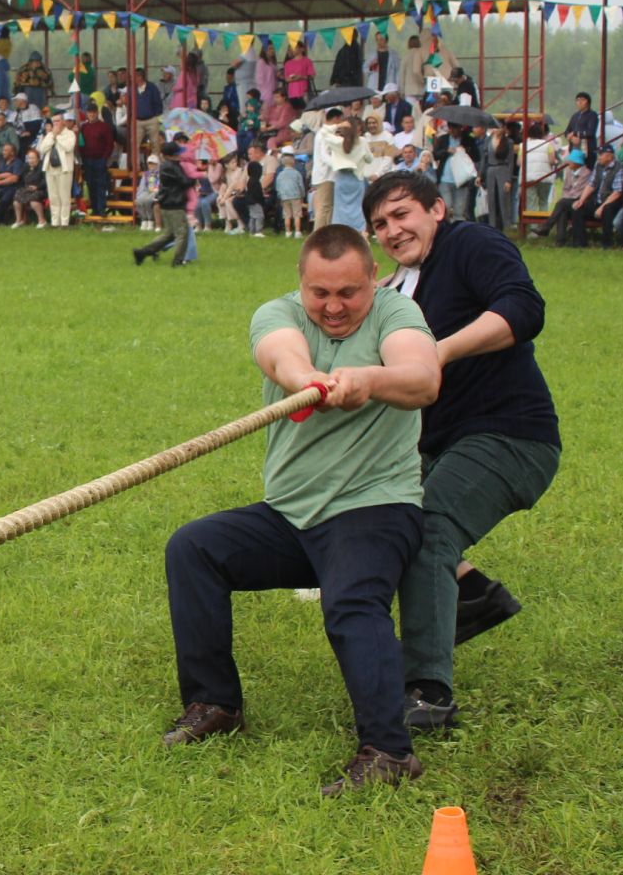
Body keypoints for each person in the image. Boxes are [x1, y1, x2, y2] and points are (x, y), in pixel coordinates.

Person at [161, 224, 440, 795]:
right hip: (291, 513)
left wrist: (369, 379)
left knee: (351, 599)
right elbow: (278, 355)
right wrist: (304, 379)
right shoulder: (279, 313)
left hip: (376, 507)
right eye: (321, 293)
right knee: (194, 549)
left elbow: (422, 378)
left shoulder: (398, 316)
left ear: (372, 280)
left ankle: (390, 751)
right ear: (301, 284)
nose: (333, 307)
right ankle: (215, 705)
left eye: (348, 293)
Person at [365, 170, 560, 730]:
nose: (392, 230)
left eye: (402, 214)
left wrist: (438, 351)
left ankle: (427, 694)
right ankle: (473, 596)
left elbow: (524, 310)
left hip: (511, 436)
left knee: (428, 524)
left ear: (436, 210)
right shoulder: (400, 286)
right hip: (441, 445)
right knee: (382, 517)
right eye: (380, 224)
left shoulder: (471, 244)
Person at [130, 144, 195, 266]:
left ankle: (142, 252)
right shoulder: (171, 167)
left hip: (168, 203)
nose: (180, 155)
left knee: (169, 235)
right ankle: (178, 261)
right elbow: (185, 181)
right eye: (177, 153)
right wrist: (194, 177)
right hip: (174, 204)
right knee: (182, 233)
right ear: (170, 156)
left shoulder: (170, 166)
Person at [41, 112, 77, 227]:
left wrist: (57, 136)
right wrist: (52, 136)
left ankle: (64, 223)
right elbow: (42, 149)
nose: (55, 123)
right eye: (54, 121)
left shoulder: (70, 134)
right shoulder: (49, 134)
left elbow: (68, 147)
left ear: (63, 122)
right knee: (53, 197)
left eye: (57, 121)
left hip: (64, 169)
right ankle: (55, 222)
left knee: (64, 197)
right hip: (50, 168)